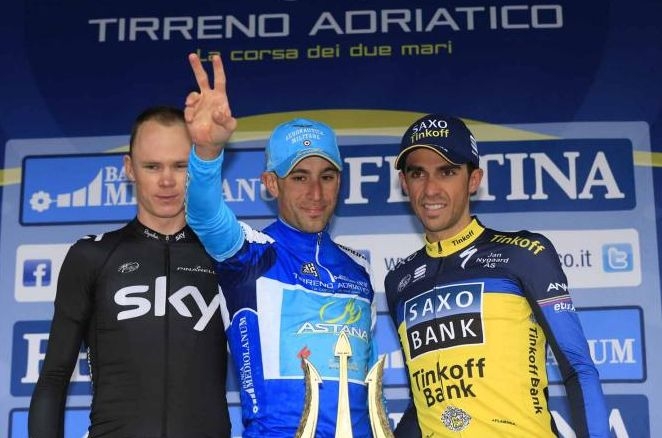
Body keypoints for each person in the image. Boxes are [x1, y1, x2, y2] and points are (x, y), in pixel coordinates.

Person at [183, 53, 378, 437]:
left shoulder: (359, 270)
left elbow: (369, 393)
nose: (316, 193)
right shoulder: (251, 255)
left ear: (340, 181)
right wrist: (206, 152)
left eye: (327, 176)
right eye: (299, 177)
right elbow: (204, 215)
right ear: (272, 184)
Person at [384, 114, 610, 437]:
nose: (430, 189)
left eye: (447, 172)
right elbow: (421, 408)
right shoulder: (400, 282)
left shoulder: (524, 254)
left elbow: (579, 369)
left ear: (473, 179)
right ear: (404, 183)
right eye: (418, 173)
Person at [28, 106, 231, 437]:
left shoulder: (229, 257)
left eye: (180, 165)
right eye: (152, 166)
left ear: (198, 167)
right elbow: (53, 377)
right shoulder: (92, 256)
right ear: (129, 169)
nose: (166, 180)